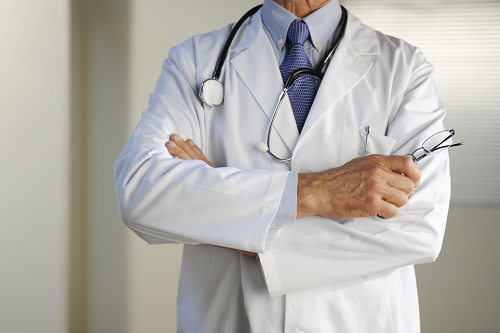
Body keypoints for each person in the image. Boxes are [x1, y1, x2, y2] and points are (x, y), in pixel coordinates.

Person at [114, 0, 450, 331]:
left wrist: (231, 220)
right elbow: (141, 189)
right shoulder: (195, 60)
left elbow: (418, 229)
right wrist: (318, 192)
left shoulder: (404, 68)